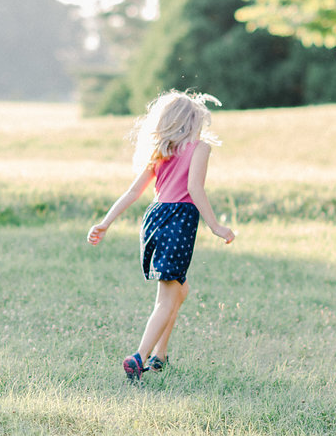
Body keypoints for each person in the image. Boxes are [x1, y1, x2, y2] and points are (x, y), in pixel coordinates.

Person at [87, 89, 236, 381]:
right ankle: (139, 356)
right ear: (193, 122)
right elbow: (195, 189)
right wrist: (216, 226)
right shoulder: (200, 148)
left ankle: (161, 355)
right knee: (167, 297)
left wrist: (105, 223)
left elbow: (133, 192)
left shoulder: (161, 151)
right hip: (179, 220)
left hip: (154, 218)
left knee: (180, 289)